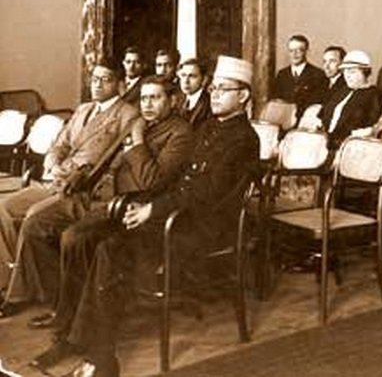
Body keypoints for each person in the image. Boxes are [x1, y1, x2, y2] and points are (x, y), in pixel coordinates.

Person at [32, 56, 260, 377]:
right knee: (84, 238)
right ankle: (71, 336)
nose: (215, 94)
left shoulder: (244, 138)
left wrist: (154, 209)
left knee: (110, 249)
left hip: (202, 228)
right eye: (214, 89)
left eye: (224, 89)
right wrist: (145, 204)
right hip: (177, 213)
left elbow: (205, 194)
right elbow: (180, 180)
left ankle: (102, 360)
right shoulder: (210, 126)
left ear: (244, 96)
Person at [3, 76, 192, 333]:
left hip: (126, 204)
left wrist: (137, 142)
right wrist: (83, 174)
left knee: (72, 238)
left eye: (155, 98)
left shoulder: (179, 133)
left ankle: (69, 314)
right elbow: (106, 158)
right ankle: (61, 302)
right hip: (94, 193)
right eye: (144, 98)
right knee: (36, 223)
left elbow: (153, 181)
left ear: (173, 100)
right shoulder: (139, 123)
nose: (147, 104)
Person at [0, 59, 139, 312]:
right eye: (94, 79)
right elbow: (60, 144)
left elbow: (111, 158)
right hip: (54, 178)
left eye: (105, 79)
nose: (97, 84)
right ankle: (12, 280)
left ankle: (19, 295)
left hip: (79, 187)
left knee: (34, 217)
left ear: (119, 84)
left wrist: (77, 173)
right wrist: (53, 165)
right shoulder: (84, 109)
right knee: (4, 208)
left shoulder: (127, 114)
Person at [317, 50, 382, 148]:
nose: (347, 75)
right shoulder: (342, 91)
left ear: (365, 72)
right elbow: (323, 115)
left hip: (350, 146)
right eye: (345, 71)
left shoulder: (375, 95)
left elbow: (371, 127)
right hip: (324, 142)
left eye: (352, 72)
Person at [272, 34, 327, 117]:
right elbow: (277, 100)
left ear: (307, 52)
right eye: (291, 50)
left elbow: (319, 103)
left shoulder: (318, 75)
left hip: (307, 120)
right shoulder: (282, 74)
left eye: (299, 50)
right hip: (284, 119)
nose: (294, 54)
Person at [176, 58, 211, 130]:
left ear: (204, 79)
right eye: (183, 75)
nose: (186, 81)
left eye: (192, 76)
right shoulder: (177, 100)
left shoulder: (209, 103)